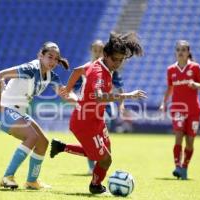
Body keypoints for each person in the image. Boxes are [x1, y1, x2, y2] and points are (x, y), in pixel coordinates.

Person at [50, 32, 147, 194]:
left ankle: (61, 147)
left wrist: (67, 89)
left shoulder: (99, 65)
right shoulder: (98, 73)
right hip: (85, 123)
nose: (117, 63)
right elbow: (100, 97)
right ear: (106, 55)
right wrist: (128, 95)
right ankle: (95, 186)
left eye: (120, 60)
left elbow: (77, 70)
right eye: (114, 59)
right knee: (105, 159)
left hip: (96, 120)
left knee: (104, 151)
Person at [0, 42, 77, 190]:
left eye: (56, 59)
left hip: (18, 112)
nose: (53, 62)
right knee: (32, 137)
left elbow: (64, 94)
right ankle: (7, 177)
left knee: (43, 143)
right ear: (40, 55)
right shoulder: (30, 69)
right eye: (50, 57)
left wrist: (81, 101)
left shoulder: (51, 76)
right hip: (4, 111)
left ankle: (32, 182)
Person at [72, 40, 125, 175]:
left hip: (103, 107)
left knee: (101, 143)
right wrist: (74, 97)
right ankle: (92, 166)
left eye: (100, 50)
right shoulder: (88, 68)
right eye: (95, 50)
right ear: (91, 50)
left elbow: (119, 88)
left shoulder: (110, 69)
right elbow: (75, 85)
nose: (97, 53)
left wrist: (122, 103)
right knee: (95, 141)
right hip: (89, 109)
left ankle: (96, 159)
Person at [159, 40, 200, 180]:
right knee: (178, 136)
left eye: (183, 50)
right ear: (176, 52)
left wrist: (196, 84)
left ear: (188, 53)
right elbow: (169, 88)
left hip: (193, 110)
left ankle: (185, 167)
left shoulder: (196, 67)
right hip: (178, 108)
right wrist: (163, 103)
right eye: (178, 49)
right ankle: (177, 166)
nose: (180, 52)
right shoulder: (171, 70)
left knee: (190, 141)